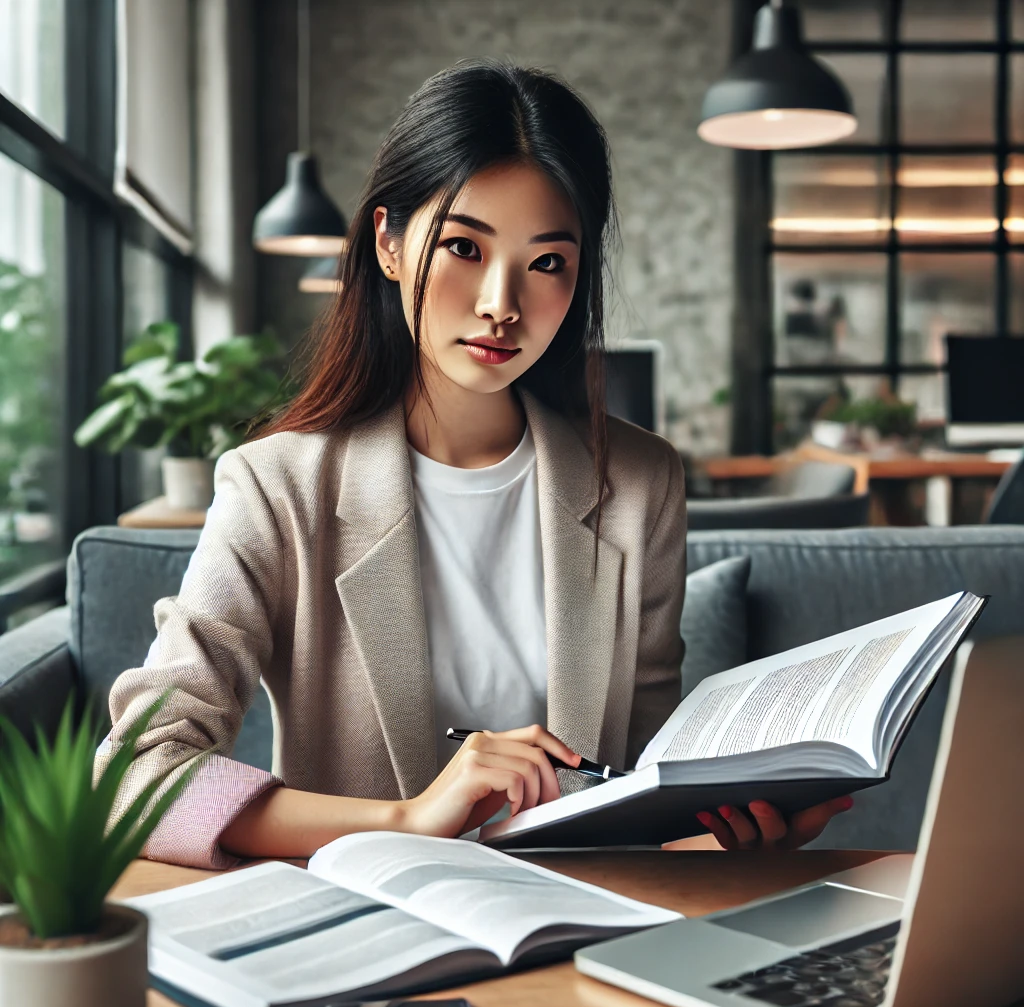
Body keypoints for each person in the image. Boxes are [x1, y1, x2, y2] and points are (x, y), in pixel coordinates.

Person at [98, 58, 852, 869]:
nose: (503, 302)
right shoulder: (278, 486)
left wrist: (731, 819)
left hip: (583, 928)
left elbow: (635, 785)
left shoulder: (639, 484)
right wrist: (409, 819)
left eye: (547, 262)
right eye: (463, 246)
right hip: (370, 936)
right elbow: (137, 775)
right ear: (388, 243)